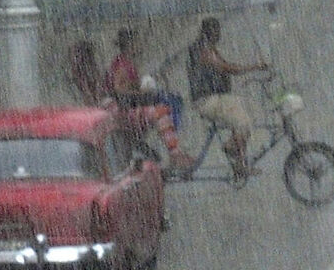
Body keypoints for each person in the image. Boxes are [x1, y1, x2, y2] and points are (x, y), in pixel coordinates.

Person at [187, 17, 268, 185]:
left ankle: (239, 159)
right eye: (216, 31)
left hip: (215, 98)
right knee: (242, 122)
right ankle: (233, 150)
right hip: (207, 100)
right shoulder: (203, 49)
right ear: (209, 33)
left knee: (240, 112)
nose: (219, 35)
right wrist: (254, 67)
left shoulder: (207, 48)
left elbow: (226, 66)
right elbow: (227, 68)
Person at [109, 28, 192, 174]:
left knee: (167, 103)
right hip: (122, 111)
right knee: (160, 112)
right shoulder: (122, 65)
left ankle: (170, 149)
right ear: (130, 44)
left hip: (126, 108)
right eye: (136, 43)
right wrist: (140, 93)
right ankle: (174, 153)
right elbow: (118, 90)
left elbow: (128, 85)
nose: (139, 46)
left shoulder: (126, 63)